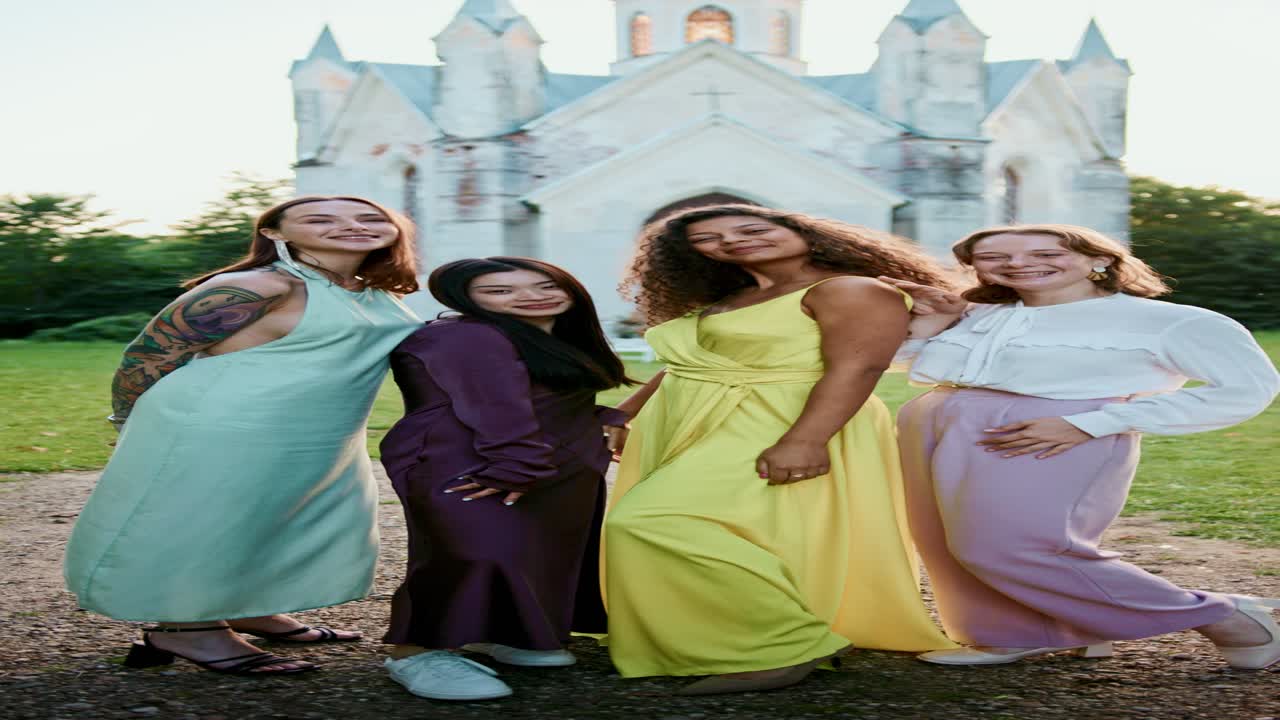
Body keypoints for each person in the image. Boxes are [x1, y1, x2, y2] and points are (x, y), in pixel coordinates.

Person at [882, 223, 1280, 668]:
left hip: (1046, 430)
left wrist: (1095, 423)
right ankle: (1014, 634)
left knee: (1013, 548)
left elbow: (1244, 388)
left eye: (1043, 253)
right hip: (938, 419)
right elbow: (906, 365)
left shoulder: (1172, 321)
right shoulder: (979, 314)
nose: (1017, 263)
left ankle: (1223, 616)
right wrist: (930, 325)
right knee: (943, 542)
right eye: (995, 257)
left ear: (1101, 260)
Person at [602, 205, 959, 696]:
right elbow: (695, 362)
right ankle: (732, 632)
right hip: (701, 414)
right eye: (710, 238)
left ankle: (789, 641)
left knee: (650, 521)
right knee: (749, 527)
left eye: (752, 229)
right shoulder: (737, 294)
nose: (731, 241)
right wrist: (627, 410)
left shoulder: (851, 289)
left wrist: (805, 439)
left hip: (781, 417)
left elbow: (857, 368)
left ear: (805, 233)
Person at [63, 196, 423, 675]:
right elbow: (149, 355)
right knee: (212, 520)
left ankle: (247, 606)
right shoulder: (257, 285)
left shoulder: (374, 291)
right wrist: (128, 422)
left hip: (319, 431)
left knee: (278, 517)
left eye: (369, 218)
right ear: (275, 232)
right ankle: (185, 631)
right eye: (320, 219)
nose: (350, 226)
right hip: (222, 423)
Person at [378, 257, 633, 701]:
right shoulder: (463, 335)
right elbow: (492, 406)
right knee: (472, 551)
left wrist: (604, 417)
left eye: (544, 284)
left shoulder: (555, 334)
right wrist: (514, 466)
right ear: (465, 298)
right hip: (468, 460)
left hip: (556, 463)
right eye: (500, 290)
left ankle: (505, 633)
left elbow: (544, 395)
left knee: (538, 553)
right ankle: (415, 653)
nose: (530, 295)